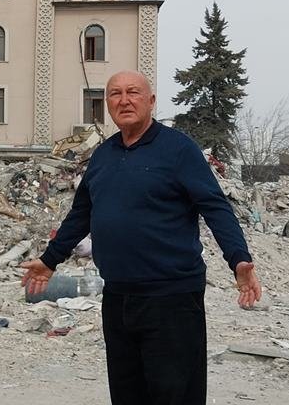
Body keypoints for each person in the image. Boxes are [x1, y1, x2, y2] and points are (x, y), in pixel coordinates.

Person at [20, 70, 262, 405]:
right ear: (107, 104)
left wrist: (238, 258)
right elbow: (81, 214)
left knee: (174, 394)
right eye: (115, 94)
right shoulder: (104, 155)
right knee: (127, 393)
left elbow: (215, 207)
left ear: (151, 101)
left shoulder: (178, 150)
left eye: (133, 92)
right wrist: (49, 260)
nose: (124, 100)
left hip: (171, 298)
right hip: (119, 297)